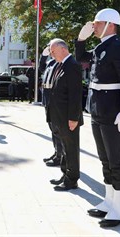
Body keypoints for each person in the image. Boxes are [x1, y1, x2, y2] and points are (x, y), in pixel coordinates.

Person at [75, 8, 120, 228]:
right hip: (98, 110)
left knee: (117, 160)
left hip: (113, 111)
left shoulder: (118, 46)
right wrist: (80, 40)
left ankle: (119, 210)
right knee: (105, 159)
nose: (94, 27)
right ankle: (109, 201)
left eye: (97, 23)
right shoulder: (103, 46)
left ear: (110, 24)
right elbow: (81, 57)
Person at [46, 38, 84, 191]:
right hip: (59, 116)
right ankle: (65, 174)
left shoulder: (72, 66)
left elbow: (75, 94)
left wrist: (74, 118)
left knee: (71, 148)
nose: (51, 54)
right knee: (64, 147)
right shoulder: (61, 65)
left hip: (69, 117)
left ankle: (72, 179)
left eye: (53, 51)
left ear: (63, 49)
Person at [39, 44, 62, 167]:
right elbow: (41, 67)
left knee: (57, 129)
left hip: (55, 100)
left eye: (52, 49)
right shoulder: (51, 63)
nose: (51, 52)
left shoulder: (61, 62)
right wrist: (43, 55)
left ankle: (60, 155)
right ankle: (56, 152)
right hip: (47, 100)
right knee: (52, 129)